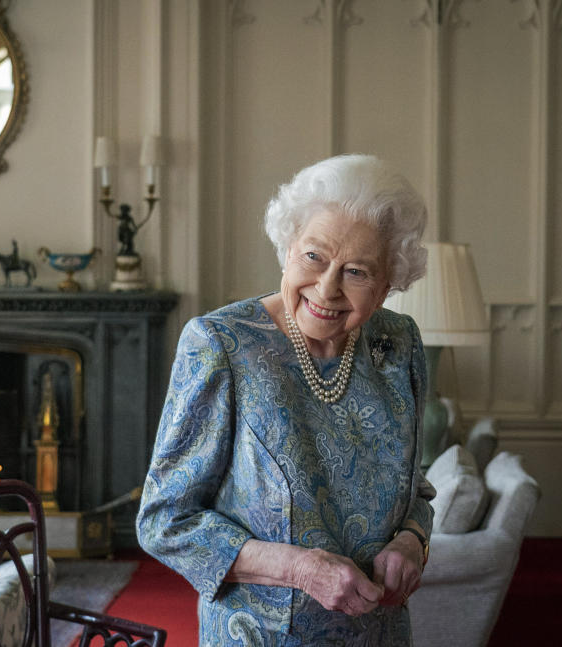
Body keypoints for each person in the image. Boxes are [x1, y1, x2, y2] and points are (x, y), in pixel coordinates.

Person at [136, 154, 435, 645]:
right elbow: (164, 522)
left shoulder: (398, 345)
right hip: (260, 635)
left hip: (379, 635)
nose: (327, 288)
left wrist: (411, 541)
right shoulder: (222, 345)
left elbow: (414, 489)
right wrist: (299, 569)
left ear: (387, 285)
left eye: (357, 271)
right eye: (314, 256)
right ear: (288, 246)